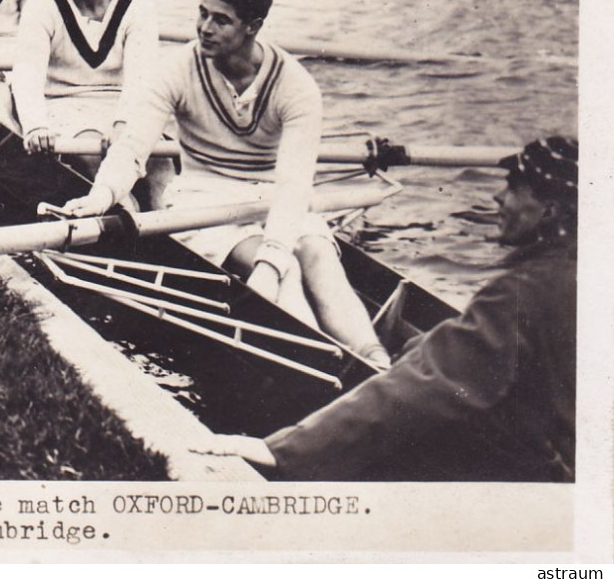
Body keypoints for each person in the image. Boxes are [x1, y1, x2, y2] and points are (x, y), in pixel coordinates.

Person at [59, 0, 390, 367]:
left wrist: (272, 257)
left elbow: (293, 185)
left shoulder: (296, 87)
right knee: (281, 272)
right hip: (203, 194)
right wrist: (102, 195)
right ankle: (320, 363)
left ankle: (376, 360)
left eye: (221, 20)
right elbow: (134, 146)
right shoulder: (177, 69)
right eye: (202, 14)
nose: (204, 28)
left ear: (253, 26)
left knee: (316, 253)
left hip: (275, 195)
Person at [205, 137, 577, 482]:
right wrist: (421, 350)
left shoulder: (521, 291)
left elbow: (431, 383)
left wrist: (281, 450)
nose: (498, 198)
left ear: (551, 211)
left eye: (512, 187)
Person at [9, 0, 159, 177]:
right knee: (93, 155)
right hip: (63, 103)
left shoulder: (138, 6)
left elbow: (141, 81)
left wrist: (124, 124)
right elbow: (27, 75)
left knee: (161, 164)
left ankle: (163, 213)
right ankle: (125, 210)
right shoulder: (43, 4)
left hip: (118, 103)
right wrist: (35, 126)